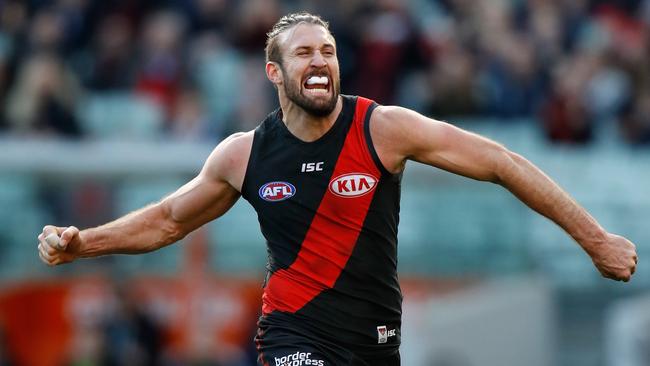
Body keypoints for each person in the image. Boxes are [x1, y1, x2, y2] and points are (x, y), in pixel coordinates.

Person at [38, 12, 638, 366]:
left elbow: (502, 162)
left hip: (378, 339)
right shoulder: (243, 153)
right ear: (275, 72)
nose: (320, 60)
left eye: (327, 50)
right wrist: (81, 243)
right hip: (295, 331)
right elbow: (169, 220)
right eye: (303, 53)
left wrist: (595, 240)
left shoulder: (385, 128)